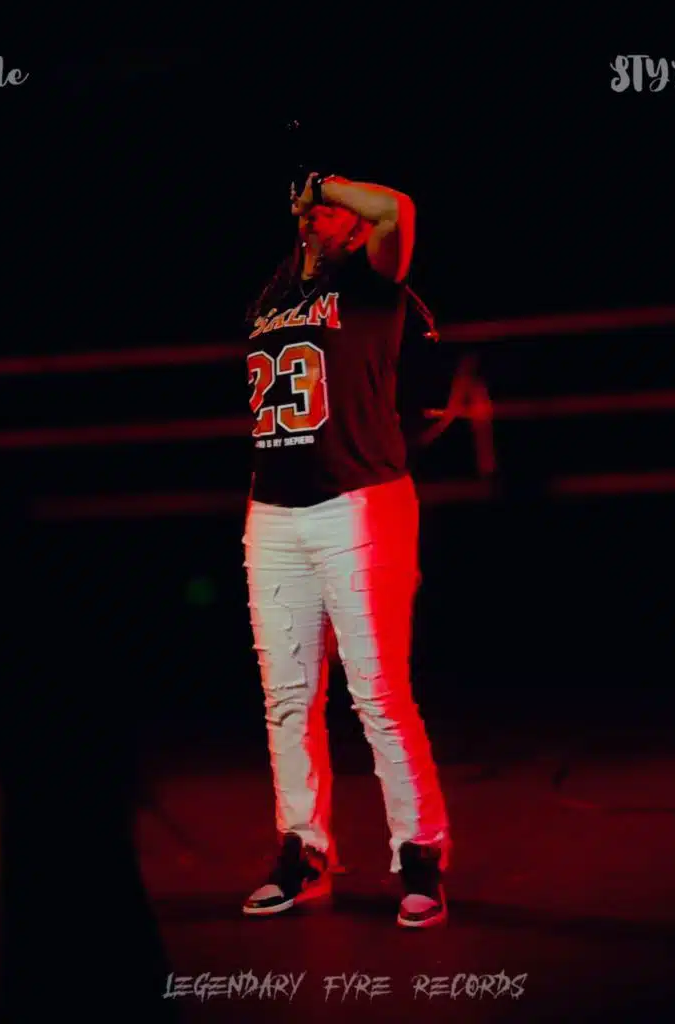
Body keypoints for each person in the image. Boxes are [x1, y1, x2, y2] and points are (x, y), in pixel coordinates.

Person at [241, 170, 451, 928]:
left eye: (332, 213)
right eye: (309, 210)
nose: (316, 215)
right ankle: (303, 849)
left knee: (378, 694)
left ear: (356, 230)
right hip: (274, 512)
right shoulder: (274, 294)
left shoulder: (371, 283)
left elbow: (396, 208)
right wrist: (306, 213)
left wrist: (326, 183)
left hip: (358, 503)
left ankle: (419, 853)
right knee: (287, 698)